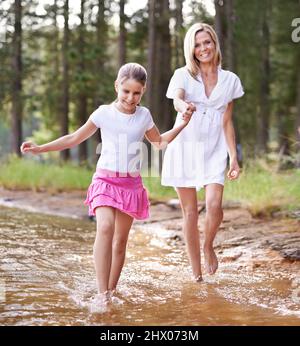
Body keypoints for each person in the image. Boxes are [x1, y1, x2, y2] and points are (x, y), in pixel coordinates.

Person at [20, 62, 194, 308]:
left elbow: (159, 142)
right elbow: (74, 138)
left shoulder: (144, 116)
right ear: (117, 86)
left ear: (143, 91)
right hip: (104, 180)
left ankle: (110, 292)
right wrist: (41, 148)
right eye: (126, 91)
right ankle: (102, 294)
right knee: (105, 228)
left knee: (120, 242)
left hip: (130, 185)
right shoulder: (103, 113)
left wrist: (182, 124)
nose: (130, 97)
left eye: (136, 92)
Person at [161, 23, 244, 282]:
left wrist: (233, 156)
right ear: (191, 49)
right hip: (185, 143)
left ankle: (208, 245)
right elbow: (176, 98)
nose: (203, 48)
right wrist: (182, 105)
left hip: (214, 146)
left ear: (214, 43)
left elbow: (227, 121)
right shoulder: (183, 75)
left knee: (214, 204)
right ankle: (196, 275)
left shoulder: (230, 79)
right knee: (190, 212)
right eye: (197, 44)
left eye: (206, 42)